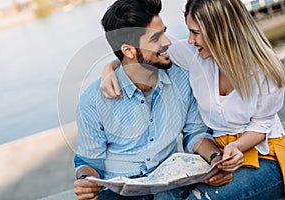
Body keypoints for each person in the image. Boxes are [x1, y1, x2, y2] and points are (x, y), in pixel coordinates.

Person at [100, 0, 285, 199]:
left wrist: (236, 147)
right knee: (164, 196)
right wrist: (109, 69)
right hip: (214, 156)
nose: (190, 40)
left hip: (264, 156)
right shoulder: (193, 55)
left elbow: (261, 125)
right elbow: (143, 54)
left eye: (196, 33)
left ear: (221, 30)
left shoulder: (264, 67)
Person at [73, 0, 243, 200]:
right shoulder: (92, 100)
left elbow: (195, 134)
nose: (167, 42)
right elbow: (89, 162)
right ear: (128, 51)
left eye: (164, 31)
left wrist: (215, 159)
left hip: (168, 184)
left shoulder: (182, 76)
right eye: (155, 37)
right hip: (119, 192)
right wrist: (86, 181)